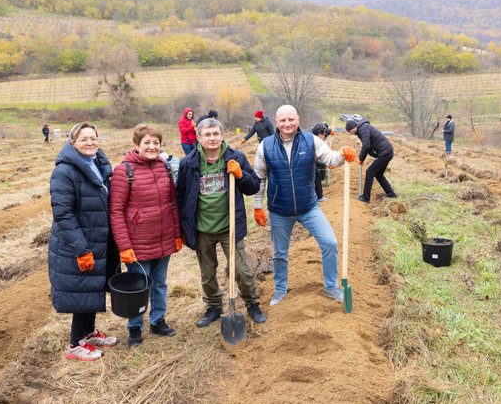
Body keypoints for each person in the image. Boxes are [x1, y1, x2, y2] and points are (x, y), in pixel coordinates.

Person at [253, 105, 356, 306]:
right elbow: (260, 178)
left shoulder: (312, 141)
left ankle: (331, 286)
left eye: (291, 119)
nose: (287, 124)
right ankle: (280, 289)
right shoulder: (264, 146)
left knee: (330, 243)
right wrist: (257, 206)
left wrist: (343, 153)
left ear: (298, 120)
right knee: (280, 253)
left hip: (309, 207)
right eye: (283, 120)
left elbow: (331, 159)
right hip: (279, 210)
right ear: (276, 122)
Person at [176, 118, 266, 327]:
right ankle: (214, 306)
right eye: (207, 135)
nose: (212, 138)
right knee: (207, 273)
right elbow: (180, 196)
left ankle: (252, 303)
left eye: (216, 134)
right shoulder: (188, 163)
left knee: (241, 269)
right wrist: (182, 227)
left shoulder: (236, 157)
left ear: (222, 135)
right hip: (202, 228)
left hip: (230, 227)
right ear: (198, 138)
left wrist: (241, 174)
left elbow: (253, 187)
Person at [49, 122, 118, 361]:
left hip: (98, 238)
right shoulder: (64, 171)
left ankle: (88, 334)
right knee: (82, 290)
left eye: (93, 138)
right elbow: (63, 214)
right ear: (72, 143)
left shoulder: (97, 163)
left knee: (93, 287)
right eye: (83, 139)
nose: (90, 143)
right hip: (78, 243)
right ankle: (74, 345)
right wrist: (81, 250)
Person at [109, 124, 183, 348]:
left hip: (164, 237)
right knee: (138, 286)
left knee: (160, 283)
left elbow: (172, 202)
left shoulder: (165, 167)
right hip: (137, 241)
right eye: (147, 143)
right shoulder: (124, 171)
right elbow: (116, 210)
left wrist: (177, 234)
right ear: (136, 145)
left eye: (156, 143)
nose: (152, 147)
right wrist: (123, 246)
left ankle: (158, 320)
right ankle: (135, 327)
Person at [345, 116, 396, 204]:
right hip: (386, 152)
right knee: (378, 174)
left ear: (353, 128)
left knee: (370, 172)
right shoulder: (362, 129)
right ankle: (391, 195)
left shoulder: (363, 129)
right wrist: (374, 154)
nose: (351, 133)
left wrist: (361, 158)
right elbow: (369, 146)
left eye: (350, 131)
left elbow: (366, 145)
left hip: (385, 153)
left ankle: (365, 197)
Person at [307, 122, 336, 202]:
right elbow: (313, 160)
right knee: (313, 176)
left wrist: (330, 132)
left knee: (316, 175)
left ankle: (318, 197)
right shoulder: (310, 140)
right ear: (319, 135)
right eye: (325, 137)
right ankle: (315, 198)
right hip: (303, 162)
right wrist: (325, 165)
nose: (325, 139)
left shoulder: (318, 129)